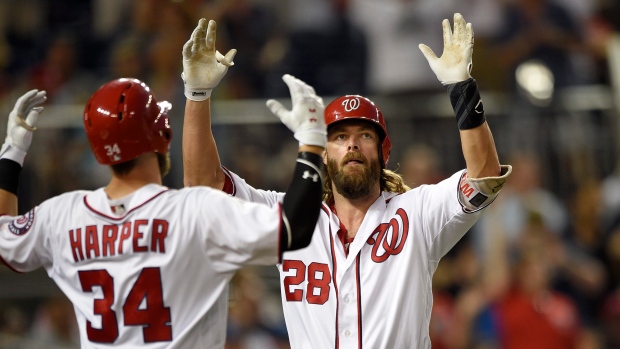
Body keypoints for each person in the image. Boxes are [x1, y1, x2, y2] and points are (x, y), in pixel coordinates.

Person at [183, 13, 511, 348]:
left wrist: (462, 88)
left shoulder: (416, 213)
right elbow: (203, 187)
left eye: (364, 135)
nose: (352, 143)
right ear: (323, 153)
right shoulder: (289, 216)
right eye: (339, 137)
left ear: (383, 152)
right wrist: (197, 95)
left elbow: (484, 177)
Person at [0, 18, 326, 348]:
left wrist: (12, 154)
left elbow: (2, 237)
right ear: (163, 136)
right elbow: (293, 227)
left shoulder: (61, 215)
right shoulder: (194, 210)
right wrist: (312, 142)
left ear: (99, 152)